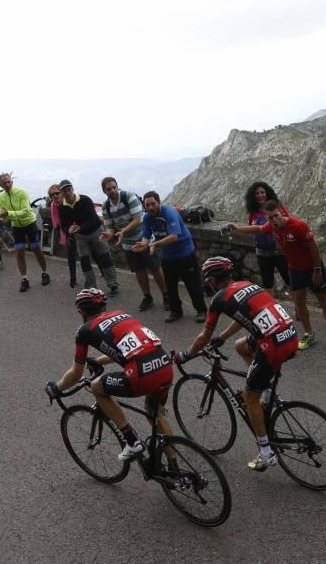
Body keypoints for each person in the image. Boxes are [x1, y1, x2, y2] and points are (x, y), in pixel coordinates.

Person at [179, 257, 299, 471]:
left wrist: (186, 355)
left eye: (207, 280)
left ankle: (266, 452)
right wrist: (223, 337)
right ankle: (267, 391)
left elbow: (203, 337)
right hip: (289, 335)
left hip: (271, 346)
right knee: (241, 346)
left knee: (249, 397)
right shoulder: (247, 285)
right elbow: (242, 317)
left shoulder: (218, 299)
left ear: (213, 280)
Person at [46, 289, 175, 461]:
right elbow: (125, 350)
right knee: (154, 412)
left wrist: (56, 387)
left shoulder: (84, 330)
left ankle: (132, 441)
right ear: (104, 305)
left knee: (96, 387)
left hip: (141, 375)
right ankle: (175, 468)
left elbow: (76, 375)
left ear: (81, 312)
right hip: (165, 366)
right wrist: (99, 361)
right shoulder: (122, 314)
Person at [231, 200, 326, 354]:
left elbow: (314, 248)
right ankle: (309, 334)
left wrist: (317, 269)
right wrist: (238, 229)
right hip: (294, 269)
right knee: (299, 302)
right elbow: (258, 228)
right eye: (270, 218)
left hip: (312, 268)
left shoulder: (298, 226)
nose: (273, 220)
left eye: (276, 216)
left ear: (281, 212)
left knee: (323, 299)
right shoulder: (271, 226)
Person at [134, 191, 208, 323]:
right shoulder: (146, 218)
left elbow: (174, 236)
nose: (150, 207)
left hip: (185, 253)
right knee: (170, 286)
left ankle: (201, 310)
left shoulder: (169, 213)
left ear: (159, 202)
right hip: (167, 256)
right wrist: (144, 245)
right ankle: (176, 311)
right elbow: (146, 236)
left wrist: (155, 244)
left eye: (153, 204)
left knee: (192, 284)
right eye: (147, 205)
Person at [101, 176, 166, 310]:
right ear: (104, 191)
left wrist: (123, 231)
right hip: (127, 244)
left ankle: (166, 296)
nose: (112, 191)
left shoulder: (129, 197)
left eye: (114, 187)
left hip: (144, 238)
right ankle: (147, 297)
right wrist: (108, 234)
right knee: (139, 270)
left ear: (117, 186)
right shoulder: (106, 206)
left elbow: (139, 218)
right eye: (108, 189)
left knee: (155, 268)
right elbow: (110, 226)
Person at [57, 179, 119, 294]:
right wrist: (69, 230)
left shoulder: (85, 200)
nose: (67, 192)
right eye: (64, 190)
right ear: (62, 193)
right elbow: (63, 225)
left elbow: (92, 218)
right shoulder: (62, 207)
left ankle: (112, 284)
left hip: (95, 231)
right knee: (85, 262)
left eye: (69, 189)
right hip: (80, 236)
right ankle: (91, 287)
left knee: (105, 257)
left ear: (72, 189)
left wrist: (80, 227)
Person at [0, 173, 50, 291]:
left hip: (29, 223)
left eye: (8, 182)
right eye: (4, 183)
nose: (7, 184)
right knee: (19, 252)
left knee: (36, 249)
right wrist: (3, 216)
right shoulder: (1, 197)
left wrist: (9, 214)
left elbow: (26, 211)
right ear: (0, 185)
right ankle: (24, 279)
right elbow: (3, 217)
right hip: (17, 226)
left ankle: (45, 273)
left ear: (12, 182)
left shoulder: (21, 192)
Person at [244, 181, 290, 293]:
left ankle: (298, 309)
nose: (260, 195)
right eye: (257, 193)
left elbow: (287, 222)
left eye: (262, 192)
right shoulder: (253, 212)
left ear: (267, 193)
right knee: (267, 284)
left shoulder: (277, 207)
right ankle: (270, 309)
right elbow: (252, 228)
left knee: (290, 282)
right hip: (262, 254)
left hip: (279, 252)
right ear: (253, 196)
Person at [48, 183, 77, 287]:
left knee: (89, 252)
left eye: (57, 193)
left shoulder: (69, 200)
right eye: (52, 195)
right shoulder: (53, 206)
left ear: (61, 193)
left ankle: (102, 272)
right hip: (66, 231)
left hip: (79, 228)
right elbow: (57, 222)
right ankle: (73, 279)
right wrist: (66, 232)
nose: (55, 196)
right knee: (71, 256)